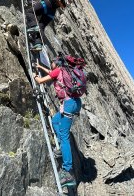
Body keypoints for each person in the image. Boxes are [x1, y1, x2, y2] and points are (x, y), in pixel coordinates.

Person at [33, 57, 82, 187]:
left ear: (57, 64)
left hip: (68, 103)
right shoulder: (63, 71)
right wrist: (40, 67)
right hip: (74, 102)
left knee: (65, 135)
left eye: (53, 62)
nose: (51, 63)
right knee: (55, 121)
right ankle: (62, 149)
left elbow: (40, 81)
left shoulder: (58, 70)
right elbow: (50, 72)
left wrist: (34, 75)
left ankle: (68, 173)